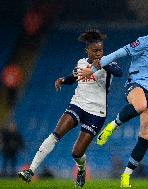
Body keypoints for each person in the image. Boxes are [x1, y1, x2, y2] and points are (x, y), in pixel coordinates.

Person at [78, 11, 148, 187]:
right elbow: (117, 54)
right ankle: (112, 126)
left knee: (145, 136)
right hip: (136, 84)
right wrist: (92, 69)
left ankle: (126, 176)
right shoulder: (143, 42)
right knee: (140, 105)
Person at [17, 29, 122, 187]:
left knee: (76, 153)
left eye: (101, 50)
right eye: (95, 51)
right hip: (78, 104)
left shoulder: (108, 62)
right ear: (87, 50)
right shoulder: (81, 62)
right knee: (55, 134)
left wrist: (101, 64)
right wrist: (62, 80)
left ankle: (81, 170)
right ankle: (30, 171)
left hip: (96, 112)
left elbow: (119, 72)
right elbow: (74, 77)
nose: (99, 53)